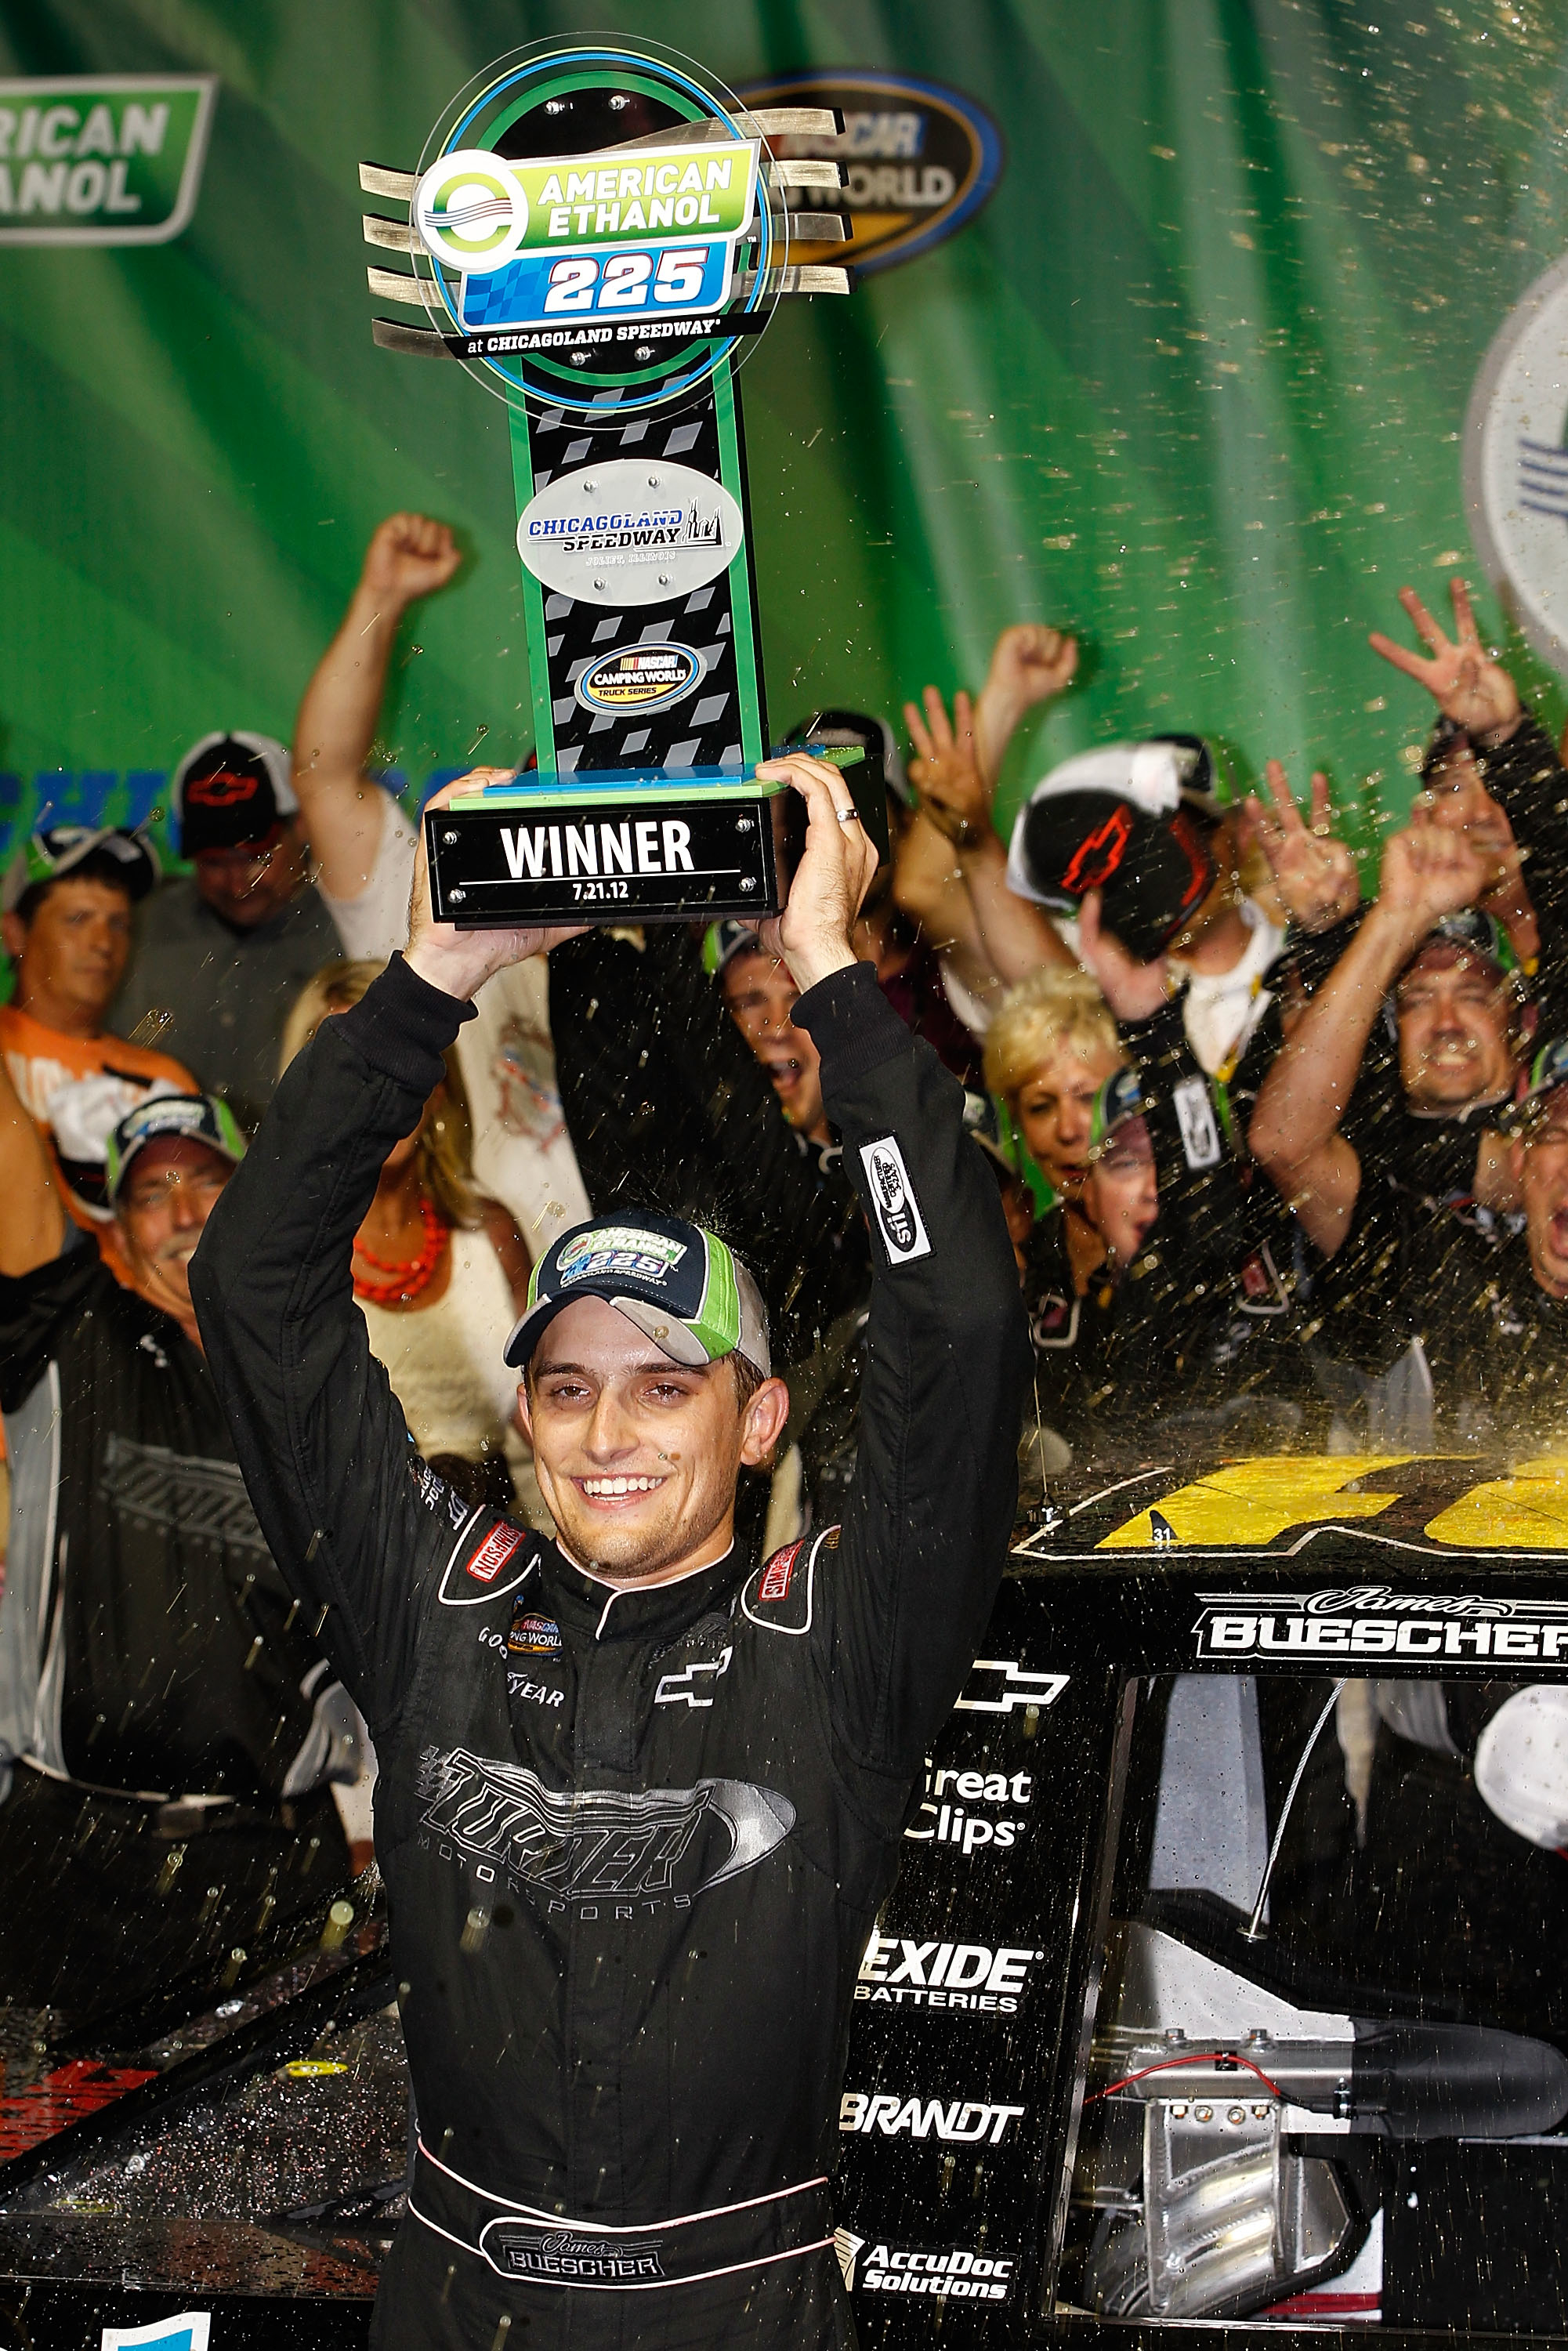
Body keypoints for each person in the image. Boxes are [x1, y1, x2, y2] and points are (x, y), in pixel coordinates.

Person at [191, 752, 1030, 2351]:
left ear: (759, 1420)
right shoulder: (432, 1594)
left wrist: (835, 979)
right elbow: (256, 1285)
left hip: (740, 2311)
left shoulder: (845, 1635)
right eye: (565, 1387)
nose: (608, 1430)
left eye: (664, 1385)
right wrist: (438, 972)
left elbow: (960, 1314)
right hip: (458, 2304)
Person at [0, 1073, 361, 2020]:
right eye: (151, 1194)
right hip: (84, 1865)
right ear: (114, 1232)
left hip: (289, 1866)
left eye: (205, 1181)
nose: (184, 1210)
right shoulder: (70, 1333)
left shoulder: (321, 1378)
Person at [290, 511, 589, 1252]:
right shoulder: (435, 913)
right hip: (465, 1284)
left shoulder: (656, 934)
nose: (565, 832)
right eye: (542, 799)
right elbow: (325, 780)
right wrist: (382, 598)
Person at [281, 959, 545, 1524]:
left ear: (439, 1083)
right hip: (346, 1565)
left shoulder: (492, 1232)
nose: (382, 1089)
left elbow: (548, 1436)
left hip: (495, 1553)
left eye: (403, 1060)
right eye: (353, 1067)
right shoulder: (283, 1257)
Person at [111, 731, 342, 1130]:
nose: (238, 885)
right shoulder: (139, 928)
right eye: (214, 863)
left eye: (256, 858)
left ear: (301, 827)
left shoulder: (350, 930)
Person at [1, 823, 195, 1237]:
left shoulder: (163, 1083)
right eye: (77, 919)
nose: (103, 943)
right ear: (15, 932)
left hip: (134, 1295)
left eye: (119, 924)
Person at [981, 964, 1124, 1211]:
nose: (1067, 1130)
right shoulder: (1022, 1250)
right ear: (1020, 1126)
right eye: (1041, 1107)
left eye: (1088, 1098)